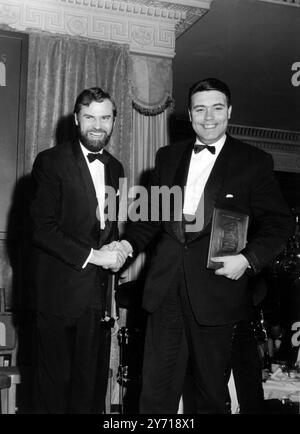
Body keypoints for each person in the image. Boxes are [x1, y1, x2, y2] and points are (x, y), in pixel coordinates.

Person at [109, 77, 293, 413]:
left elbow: (280, 223)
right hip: (165, 291)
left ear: (229, 112)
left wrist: (248, 260)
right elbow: (149, 219)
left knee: (210, 394)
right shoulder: (167, 157)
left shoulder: (253, 161)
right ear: (189, 116)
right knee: (154, 394)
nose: (209, 117)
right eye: (200, 109)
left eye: (217, 108)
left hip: (217, 293)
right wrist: (124, 246)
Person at [30, 87, 125, 413]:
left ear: (113, 121)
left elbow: (106, 229)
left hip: (98, 305)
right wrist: (94, 256)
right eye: (90, 117)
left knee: (91, 393)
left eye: (105, 117)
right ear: (76, 120)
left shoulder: (116, 168)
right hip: (59, 300)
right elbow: (41, 229)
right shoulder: (50, 161)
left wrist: (116, 248)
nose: (97, 125)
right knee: (54, 395)